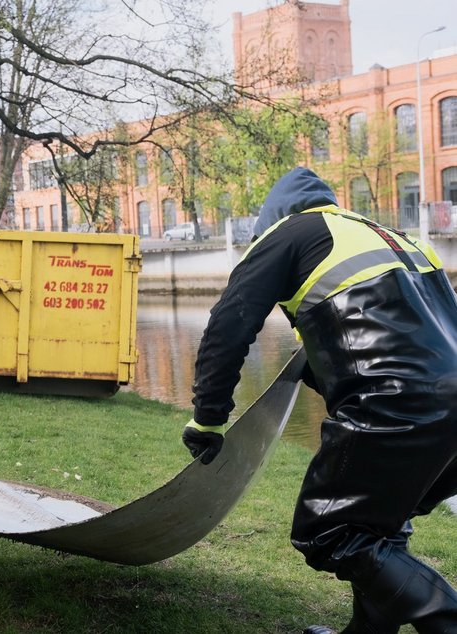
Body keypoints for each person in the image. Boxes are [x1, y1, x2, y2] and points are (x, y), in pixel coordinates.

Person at [182, 167, 457, 633]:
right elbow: (387, 340)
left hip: (395, 402)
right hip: (443, 405)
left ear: (270, 221)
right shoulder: (391, 236)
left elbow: (229, 326)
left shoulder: (287, 234)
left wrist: (208, 419)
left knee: (332, 531)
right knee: (375, 523)